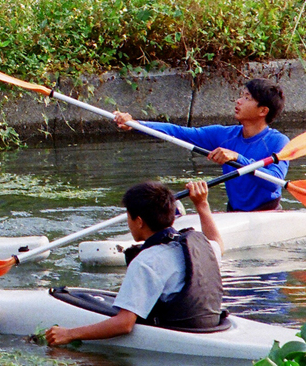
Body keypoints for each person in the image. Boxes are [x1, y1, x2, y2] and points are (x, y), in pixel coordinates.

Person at [46, 180, 224, 346]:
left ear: (139, 222)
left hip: (178, 335)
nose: (128, 223)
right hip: (208, 326)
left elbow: (124, 324)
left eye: (129, 218)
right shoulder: (201, 247)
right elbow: (218, 245)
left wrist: (69, 333)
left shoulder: (146, 261)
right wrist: (202, 205)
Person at [112, 78, 288, 212]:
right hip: (234, 212)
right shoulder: (224, 135)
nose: (238, 101)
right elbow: (179, 132)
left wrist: (237, 157)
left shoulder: (279, 142)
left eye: (247, 98)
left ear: (263, 110)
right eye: (241, 95)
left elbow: (274, 183)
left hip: (267, 212)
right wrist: (135, 124)